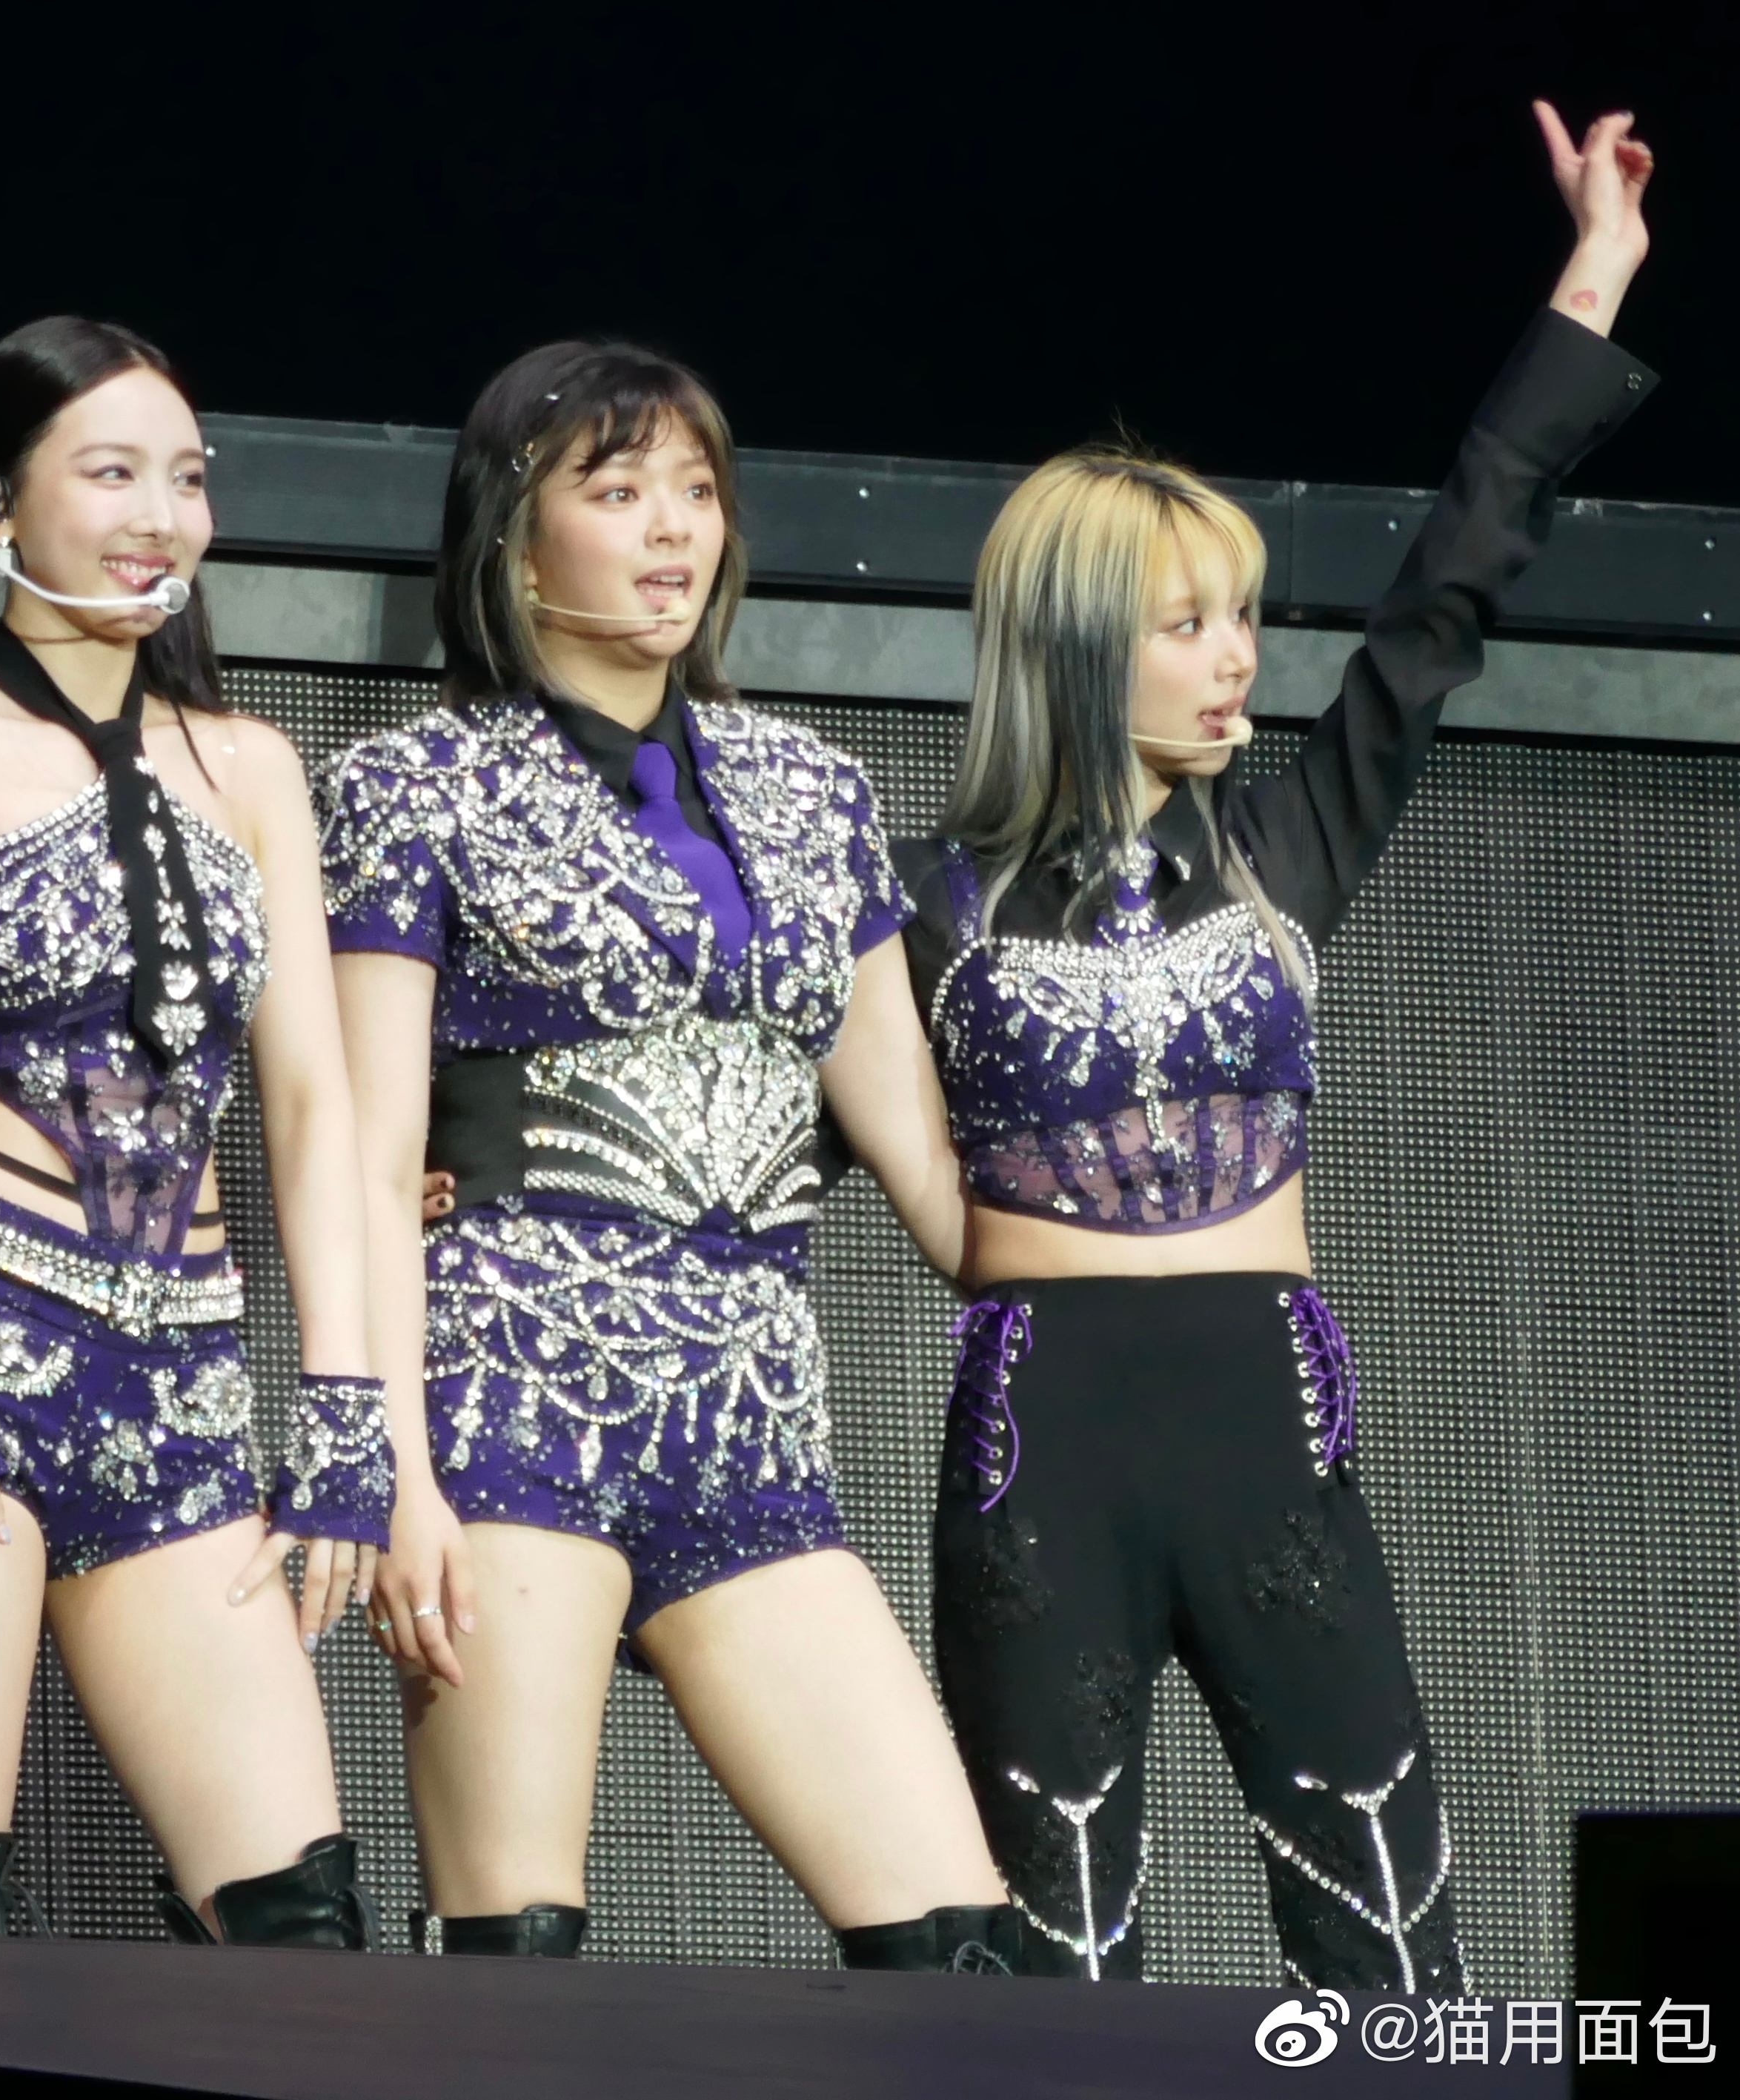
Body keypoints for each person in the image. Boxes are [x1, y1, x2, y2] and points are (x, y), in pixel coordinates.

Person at [894, 105, 1657, 1984]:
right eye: (1187, 624)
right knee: (1053, 1971)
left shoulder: (1281, 850)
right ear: (1079, 643)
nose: (1236, 653)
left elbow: (1443, 597)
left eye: (1240, 615)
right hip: (1034, 1453)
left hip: (1264, 1430)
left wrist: (1587, 286)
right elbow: (763, 1107)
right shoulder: (925, 905)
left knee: (1387, 1945)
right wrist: (461, 1159)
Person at [324, 342, 1015, 1968]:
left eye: (695, 492)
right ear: (513, 541)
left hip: (752, 1425)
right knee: (512, 1958)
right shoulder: (412, 786)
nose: (669, 529)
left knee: (956, 1950)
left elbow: (923, 1160)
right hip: (511, 1403)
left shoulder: (812, 791)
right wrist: (389, 1468)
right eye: (617, 489)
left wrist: (1145, 1274)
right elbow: (364, 1156)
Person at [0, 317, 390, 1947]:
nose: (160, 516)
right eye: (112, 473)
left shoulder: (252, 767)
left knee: (301, 1930)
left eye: (185, 479)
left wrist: (343, 1398)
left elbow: (311, 1103)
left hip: (183, 1378)